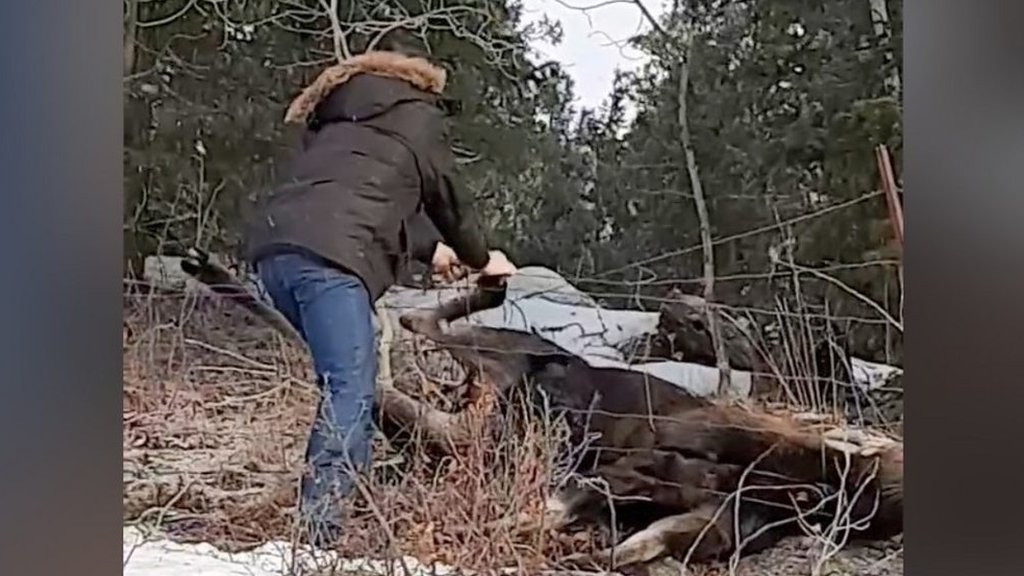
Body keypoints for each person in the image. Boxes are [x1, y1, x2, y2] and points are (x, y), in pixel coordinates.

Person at [242, 31, 517, 547]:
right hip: (331, 264)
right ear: (420, 74)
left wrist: (432, 250)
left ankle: (349, 493)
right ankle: (320, 532)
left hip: (276, 252)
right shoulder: (418, 114)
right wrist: (484, 259)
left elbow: (357, 197)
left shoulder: (340, 115)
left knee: (345, 382)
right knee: (351, 387)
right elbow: (449, 202)